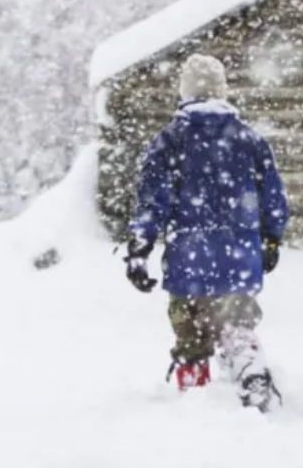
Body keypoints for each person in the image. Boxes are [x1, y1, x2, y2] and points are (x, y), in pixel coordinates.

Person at [122, 53, 289, 412]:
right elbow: (273, 197)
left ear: (185, 92)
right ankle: (252, 374)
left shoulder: (171, 140)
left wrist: (140, 247)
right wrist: (271, 238)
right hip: (239, 258)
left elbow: (154, 201)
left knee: (191, 338)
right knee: (238, 327)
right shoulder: (249, 140)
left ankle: (195, 402)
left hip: (190, 260)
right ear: (221, 90)